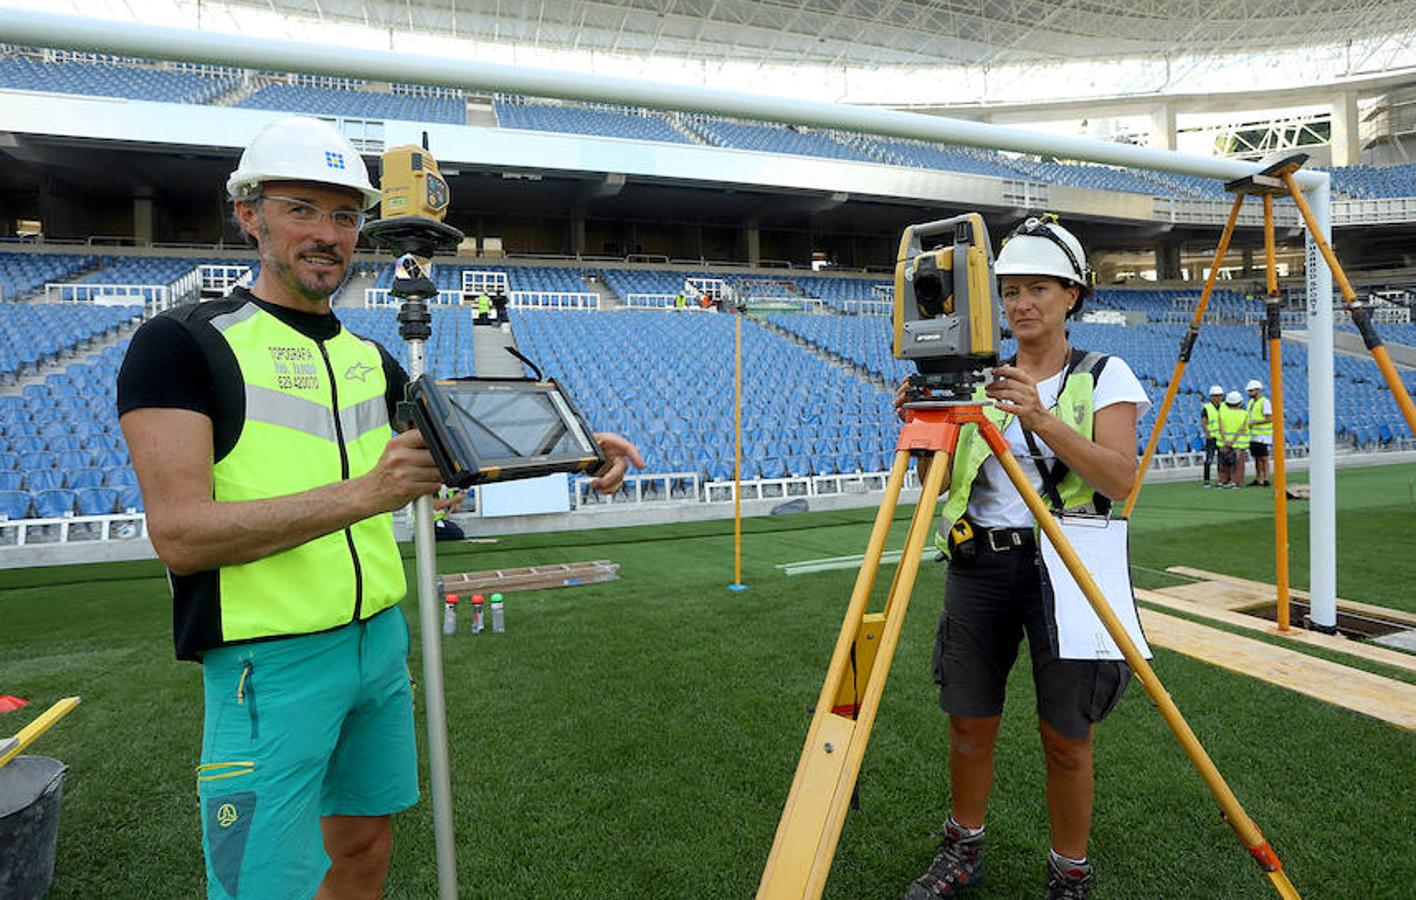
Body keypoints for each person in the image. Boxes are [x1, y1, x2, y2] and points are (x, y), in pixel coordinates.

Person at [117, 116, 643, 900]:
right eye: (303, 209)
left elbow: (465, 441)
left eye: (344, 215)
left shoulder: (369, 357)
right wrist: (371, 492)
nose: (328, 234)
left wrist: (579, 445)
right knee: (266, 882)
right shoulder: (181, 343)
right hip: (269, 659)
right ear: (249, 213)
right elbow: (182, 536)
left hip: (376, 645)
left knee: (363, 848)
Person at [893, 216, 1150, 900]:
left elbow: (1121, 479)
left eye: (1038, 287)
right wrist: (922, 431)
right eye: (1009, 290)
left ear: (1073, 295)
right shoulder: (975, 378)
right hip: (981, 565)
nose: (1020, 303)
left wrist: (1040, 418)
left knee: (1067, 735)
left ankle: (1069, 870)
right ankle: (963, 848)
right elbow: (937, 489)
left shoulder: (1105, 374)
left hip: (1069, 568)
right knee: (969, 721)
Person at [1216, 390, 1250, 489]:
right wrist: (1233, 441)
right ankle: (1236, 482)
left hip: (1223, 444)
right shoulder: (1244, 414)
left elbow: (1221, 428)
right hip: (1238, 444)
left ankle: (1223, 481)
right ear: (1240, 402)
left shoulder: (1222, 413)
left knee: (1223, 464)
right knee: (1238, 465)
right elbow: (1242, 428)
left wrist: (1226, 440)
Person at [1245, 379, 1274, 486]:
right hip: (1253, 435)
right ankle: (1258, 478)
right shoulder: (1251, 403)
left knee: (1264, 458)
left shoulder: (1265, 402)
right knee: (1256, 458)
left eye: (1251, 391)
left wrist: (1254, 422)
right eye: (1249, 391)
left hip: (1262, 435)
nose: (1249, 393)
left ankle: (1266, 479)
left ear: (1258, 390)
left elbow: (1269, 418)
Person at [1201, 385, 1225, 487]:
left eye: (1219, 396)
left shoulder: (1225, 406)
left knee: (1221, 459)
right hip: (1211, 437)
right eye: (1215, 396)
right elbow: (1204, 423)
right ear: (1211, 396)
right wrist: (1208, 434)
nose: (1218, 398)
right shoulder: (1206, 408)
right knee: (1209, 459)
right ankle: (1206, 480)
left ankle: (1221, 479)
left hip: (1221, 437)